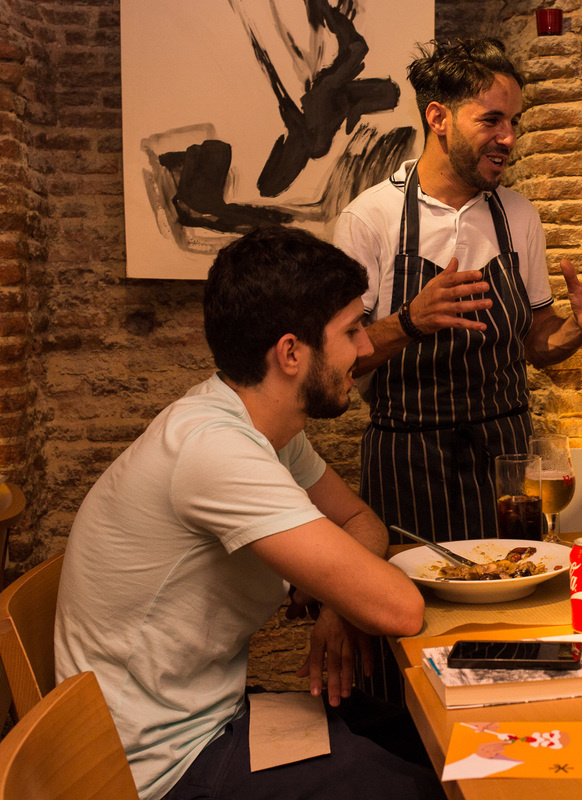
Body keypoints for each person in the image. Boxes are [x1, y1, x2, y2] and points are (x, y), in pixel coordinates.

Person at [54, 227, 441, 800]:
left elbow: (362, 523)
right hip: (157, 766)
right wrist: (351, 594)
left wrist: (339, 596)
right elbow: (400, 608)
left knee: (433, 744)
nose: (365, 349)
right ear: (290, 353)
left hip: (214, 718)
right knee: (434, 787)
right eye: (351, 331)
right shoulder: (215, 449)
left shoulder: (264, 429)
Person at [333, 38, 582, 543]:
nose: (509, 138)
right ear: (438, 118)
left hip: (509, 461)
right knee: (413, 613)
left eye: (514, 123)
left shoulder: (517, 215)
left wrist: (578, 329)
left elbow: (536, 342)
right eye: (492, 121)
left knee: (519, 603)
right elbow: (339, 363)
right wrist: (410, 321)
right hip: (408, 460)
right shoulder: (369, 219)